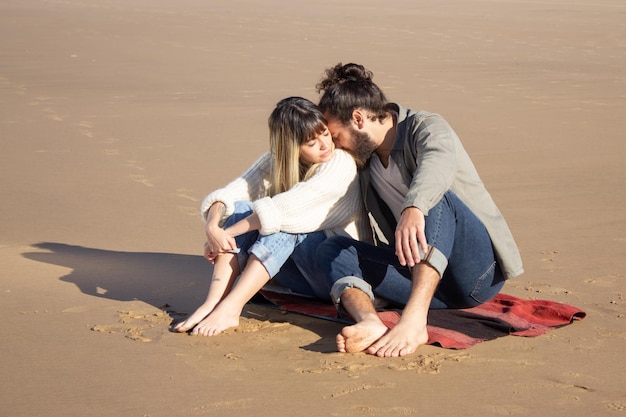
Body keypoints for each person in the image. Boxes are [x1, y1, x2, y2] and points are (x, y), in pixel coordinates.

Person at [314, 63, 524, 357]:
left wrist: (414, 206)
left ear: (358, 119)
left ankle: (414, 320)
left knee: (439, 197)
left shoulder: (426, 126)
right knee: (332, 248)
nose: (336, 146)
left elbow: (438, 164)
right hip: (422, 280)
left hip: (475, 276)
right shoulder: (365, 161)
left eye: (337, 136)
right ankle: (370, 323)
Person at [173, 96, 371, 336]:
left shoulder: (341, 163)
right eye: (311, 142)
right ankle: (213, 302)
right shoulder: (277, 160)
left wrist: (224, 234)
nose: (324, 144)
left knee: (284, 224)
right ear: (292, 147)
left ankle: (231, 308)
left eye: (325, 134)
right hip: (298, 276)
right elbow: (230, 195)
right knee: (241, 209)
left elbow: (286, 208)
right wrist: (213, 227)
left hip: (335, 274)